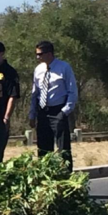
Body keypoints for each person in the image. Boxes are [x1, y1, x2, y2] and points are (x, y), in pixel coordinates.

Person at [29, 41, 78, 172]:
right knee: (43, 149)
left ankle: (66, 176)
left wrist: (64, 112)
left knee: (63, 148)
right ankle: (46, 176)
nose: (37, 57)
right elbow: (35, 93)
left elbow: (72, 91)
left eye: (40, 54)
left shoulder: (64, 67)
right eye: (36, 54)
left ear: (49, 54)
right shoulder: (38, 69)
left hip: (58, 111)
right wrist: (32, 114)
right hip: (43, 112)